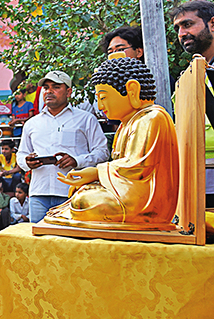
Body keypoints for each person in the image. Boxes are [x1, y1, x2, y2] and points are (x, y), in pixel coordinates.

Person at [44, 57, 179, 229]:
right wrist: (93, 179)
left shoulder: (151, 118)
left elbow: (137, 168)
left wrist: (96, 172)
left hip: (145, 203)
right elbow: (119, 165)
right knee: (82, 192)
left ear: (132, 91)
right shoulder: (126, 124)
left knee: (83, 201)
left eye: (103, 97)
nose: (100, 106)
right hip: (126, 192)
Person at [16, 70, 109, 223]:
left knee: (71, 241)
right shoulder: (32, 123)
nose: (49, 91)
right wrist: (27, 162)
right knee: (39, 241)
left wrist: (77, 161)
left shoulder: (86, 119)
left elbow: (102, 152)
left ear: (69, 92)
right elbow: (21, 154)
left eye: (56, 87)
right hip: (39, 193)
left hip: (73, 192)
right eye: (46, 87)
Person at [171, 0, 214, 207]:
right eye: (178, 28)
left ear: (212, 25)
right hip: (195, 178)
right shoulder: (190, 75)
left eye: (188, 25)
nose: (181, 33)